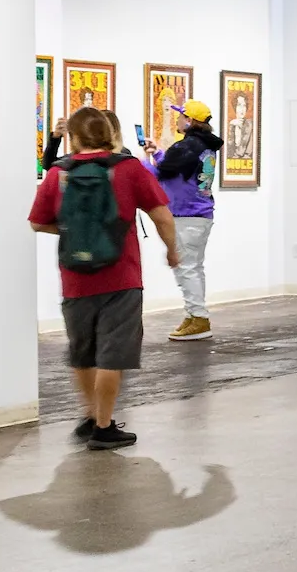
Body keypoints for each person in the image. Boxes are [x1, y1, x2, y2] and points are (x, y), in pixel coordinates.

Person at [28, 105, 180, 450]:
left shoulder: (59, 174)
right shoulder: (128, 169)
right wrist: (172, 251)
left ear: (75, 137)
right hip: (122, 275)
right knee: (113, 354)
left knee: (83, 351)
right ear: (110, 133)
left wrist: (72, 231)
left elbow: (37, 222)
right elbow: (163, 218)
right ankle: (104, 425)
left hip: (75, 277)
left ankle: (89, 414)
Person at [149, 99, 223, 342]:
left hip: (186, 215)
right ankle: (195, 314)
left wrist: (135, 164)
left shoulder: (187, 146)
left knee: (186, 268)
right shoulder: (204, 145)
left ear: (189, 121)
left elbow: (162, 173)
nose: (178, 120)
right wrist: (158, 153)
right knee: (194, 268)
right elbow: (176, 169)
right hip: (201, 213)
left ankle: (199, 319)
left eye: (181, 116)